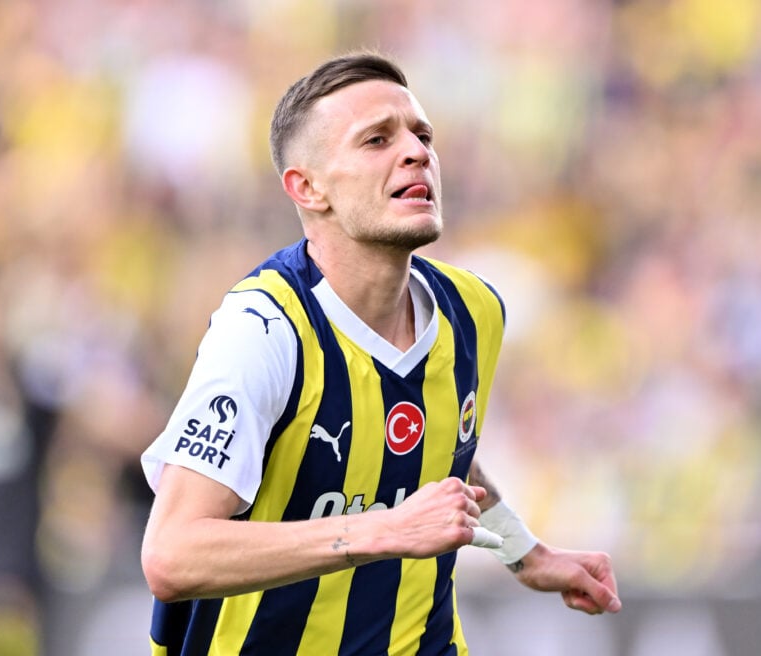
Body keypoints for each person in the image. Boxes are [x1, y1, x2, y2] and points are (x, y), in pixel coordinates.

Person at [140, 52, 621, 655]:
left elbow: (442, 458)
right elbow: (171, 555)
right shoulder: (264, 331)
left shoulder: (474, 312)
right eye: (376, 140)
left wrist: (527, 554)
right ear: (307, 187)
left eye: (422, 135)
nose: (417, 152)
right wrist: (384, 531)